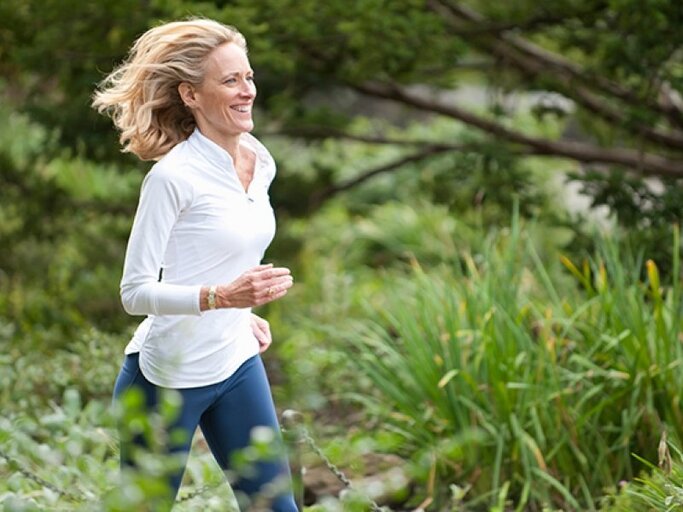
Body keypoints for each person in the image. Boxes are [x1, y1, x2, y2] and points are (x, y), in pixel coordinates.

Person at [92, 18, 298, 511]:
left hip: (237, 362)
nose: (247, 90)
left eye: (248, 77)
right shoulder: (172, 178)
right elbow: (134, 292)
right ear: (190, 95)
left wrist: (241, 312)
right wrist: (222, 297)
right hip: (166, 379)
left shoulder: (258, 158)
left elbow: (224, 250)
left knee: (276, 508)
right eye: (230, 80)